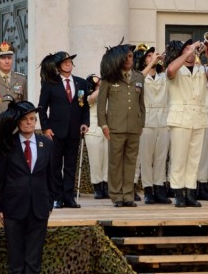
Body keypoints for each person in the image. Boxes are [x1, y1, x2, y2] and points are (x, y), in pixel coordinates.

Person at [0, 101, 55, 274]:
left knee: (33, 257)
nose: (30, 123)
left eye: (33, 120)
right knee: (16, 257)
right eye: (26, 120)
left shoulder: (45, 144)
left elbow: (51, 176)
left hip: (38, 208)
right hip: (13, 208)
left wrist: (49, 203)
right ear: (18, 122)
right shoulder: (7, 144)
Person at [164, 39, 208, 208]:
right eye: (187, 49)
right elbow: (170, 70)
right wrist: (188, 51)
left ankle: (190, 192)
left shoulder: (202, 70)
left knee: (194, 158)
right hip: (180, 117)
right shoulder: (176, 68)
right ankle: (178, 193)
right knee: (179, 157)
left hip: (198, 118)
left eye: (193, 50)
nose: (191, 53)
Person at [37, 51, 89, 209]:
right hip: (56, 131)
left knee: (71, 165)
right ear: (58, 66)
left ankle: (69, 197)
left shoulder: (81, 83)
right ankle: (57, 197)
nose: (68, 64)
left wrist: (85, 122)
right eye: (65, 61)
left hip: (74, 131)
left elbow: (83, 106)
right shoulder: (50, 83)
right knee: (55, 165)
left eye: (70, 61)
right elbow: (41, 108)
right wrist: (46, 128)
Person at [97, 42, 146, 207]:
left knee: (131, 161)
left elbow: (141, 103)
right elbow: (101, 104)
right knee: (115, 162)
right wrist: (103, 125)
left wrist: (141, 124)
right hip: (115, 126)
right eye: (125, 57)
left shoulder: (139, 76)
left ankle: (128, 195)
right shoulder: (110, 77)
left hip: (134, 126)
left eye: (131, 56)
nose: (128, 60)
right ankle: (116, 196)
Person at [135, 47, 171, 204]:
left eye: (154, 55)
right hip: (147, 121)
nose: (153, 58)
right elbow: (138, 79)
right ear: (144, 60)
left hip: (163, 120)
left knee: (161, 158)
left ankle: (159, 188)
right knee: (146, 157)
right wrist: (150, 64)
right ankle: (148, 189)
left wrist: (164, 59)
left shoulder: (164, 76)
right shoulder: (140, 76)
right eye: (148, 56)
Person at [83, 74, 109, 199]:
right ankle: (97, 187)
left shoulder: (105, 92)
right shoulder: (86, 94)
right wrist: (101, 87)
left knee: (108, 159)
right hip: (93, 129)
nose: (100, 82)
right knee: (96, 161)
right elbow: (89, 100)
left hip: (107, 128)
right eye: (97, 82)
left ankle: (106, 185)